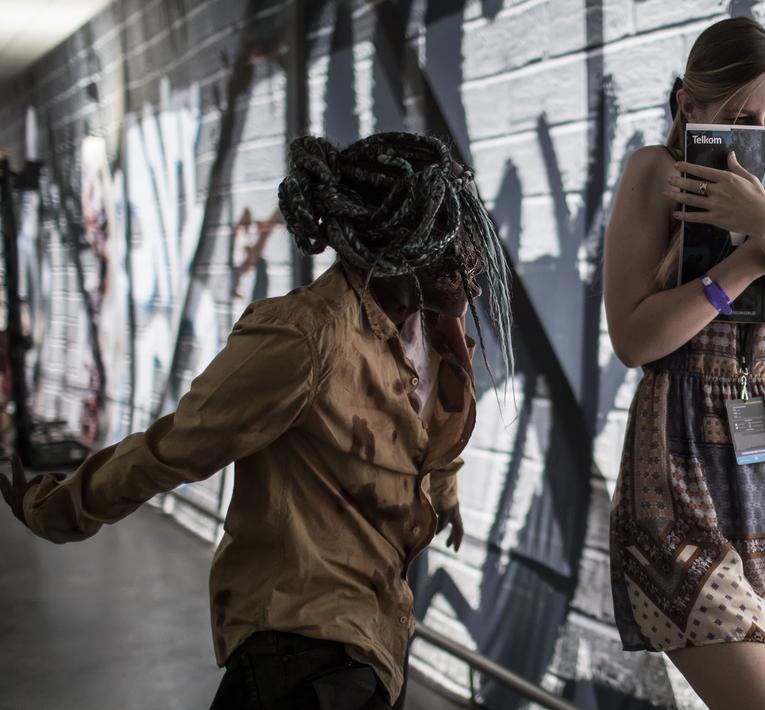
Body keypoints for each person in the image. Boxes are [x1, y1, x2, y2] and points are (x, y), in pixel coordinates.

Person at [0, 131, 514, 710]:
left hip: (380, 639)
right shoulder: (305, 337)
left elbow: (430, 436)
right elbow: (176, 447)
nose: (471, 254)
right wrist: (56, 508)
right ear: (391, 246)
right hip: (300, 645)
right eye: (446, 238)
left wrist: (442, 493)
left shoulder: (435, 326)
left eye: (467, 230)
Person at [603, 17, 765, 710]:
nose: (760, 131)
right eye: (740, 117)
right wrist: (742, 264)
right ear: (690, 104)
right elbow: (633, 340)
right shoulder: (656, 173)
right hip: (678, 468)